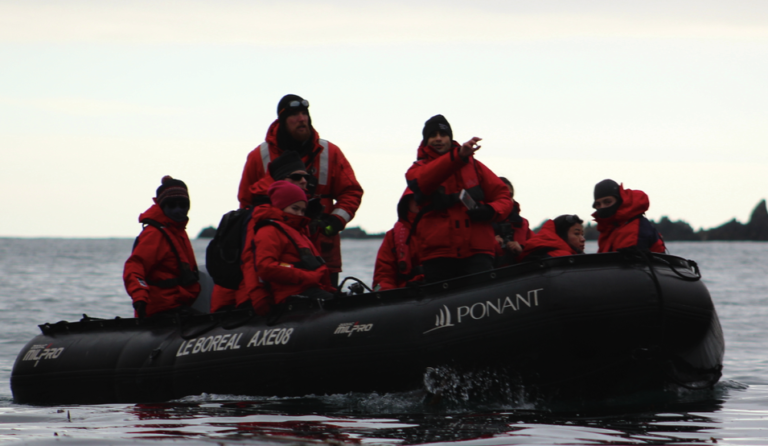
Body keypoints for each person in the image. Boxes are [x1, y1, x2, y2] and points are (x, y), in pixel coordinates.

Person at [237, 94, 363, 286]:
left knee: (329, 308)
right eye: (294, 115)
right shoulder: (258, 157)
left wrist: (334, 222)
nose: (302, 119)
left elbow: (352, 192)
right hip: (279, 255)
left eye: (304, 113)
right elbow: (246, 206)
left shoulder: (330, 152)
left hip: (323, 251)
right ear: (281, 121)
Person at [405, 115, 512, 283]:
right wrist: (458, 157)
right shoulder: (417, 170)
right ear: (426, 141)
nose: (438, 138)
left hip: (478, 252)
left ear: (450, 137)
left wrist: (490, 210)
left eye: (443, 134)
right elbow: (424, 181)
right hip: (439, 255)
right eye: (433, 135)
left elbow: (504, 196)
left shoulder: (475, 167)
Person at [209, 150, 315, 313]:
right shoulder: (262, 214)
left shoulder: (292, 213)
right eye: (295, 177)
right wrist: (259, 301)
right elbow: (252, 262)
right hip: (246, 298)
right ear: (280, 179)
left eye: (306, 177)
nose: (303, 181)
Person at [242, 180, 335, 313]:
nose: (299, 214)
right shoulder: (270, 230)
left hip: (310, 290)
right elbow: (266, 266)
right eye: (294, 208)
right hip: (291, 296)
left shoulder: (299, 232)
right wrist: (305, 276)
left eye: (302, 210)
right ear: (280, 206)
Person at [124, 176, 200, 318]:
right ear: (162, 206)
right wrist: (139, 296)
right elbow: (135, 266)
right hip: (161, 308)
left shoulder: (177, 231)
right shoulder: (155, 234)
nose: (178, 210)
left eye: (183, 205)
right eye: (172, 205)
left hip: (178, 305)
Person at [592, 179, 666, 253]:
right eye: (598, 204)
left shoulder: (635, 227)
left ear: (619, 201)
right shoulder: (609, 229)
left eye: (607, 202)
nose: (602, 207)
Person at [372, 191, 424, 291]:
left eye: (424, 197)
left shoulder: (448, 229)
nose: (419, 201)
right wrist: (398, 295)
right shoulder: (392, 237)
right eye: (415, 197)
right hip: (406, 299)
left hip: (442, 293)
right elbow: (383, 277)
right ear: (406, 201)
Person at [493, 177, 533, 265]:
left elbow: (535, 255)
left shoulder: (523, 224)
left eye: (510, 195)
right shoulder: (478, 224)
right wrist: (489, 244)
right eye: (503, 194)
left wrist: (520, 251)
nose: (507, 199)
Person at [520, 214, 586, 261]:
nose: (583, 239)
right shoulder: (562, 256)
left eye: (582, 234)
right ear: (562, 235)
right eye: (576, 234)